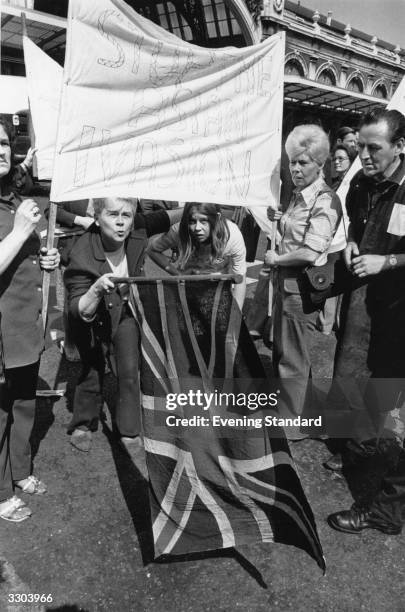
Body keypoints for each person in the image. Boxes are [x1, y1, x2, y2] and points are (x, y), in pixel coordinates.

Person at [326, 108, 405, 535]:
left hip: (400, 311)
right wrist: (351, 247)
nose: (365, 155)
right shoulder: (359, 181)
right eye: (362, 146)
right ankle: (356, 451)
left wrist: (388, 261)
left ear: (400, 147)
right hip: (367, 303)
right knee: (359, 379)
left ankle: (385, 513)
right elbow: (351, 226)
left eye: (375, 148)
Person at [64, 197, 183, 454]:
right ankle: (83, 424)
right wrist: (95, 291)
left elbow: (163, 218)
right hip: (92, 314)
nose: (120, 222)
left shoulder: (136, 229)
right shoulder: (82, 252)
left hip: (126, 310)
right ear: (97, 217)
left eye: (126, 215)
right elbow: (77, 309)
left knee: (129, 371)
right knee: (92, 368)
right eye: (112, 215)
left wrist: (192, 207)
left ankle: (128, 429)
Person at [264, 124, 342, 439]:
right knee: (286, 352)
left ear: (320, 163)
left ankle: (290, 426)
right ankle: (294, 411)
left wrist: (277, 260)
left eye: (303, 163)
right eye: (293, 161)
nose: (295, 168)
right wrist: (277, 217)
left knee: (293, 359)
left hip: (301, 288)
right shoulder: (299, 195)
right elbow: (292, 231)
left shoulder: (325, 199)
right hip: (286, 285)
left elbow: (311, 251)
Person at [0, 118, 59, 521]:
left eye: (3, 142)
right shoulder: (16, 214)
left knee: (23, 405)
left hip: (25, 327)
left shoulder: (11, 199)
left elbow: (23, 258)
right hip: (1, 332)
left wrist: (44, 258)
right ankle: (1, 491)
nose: (1, 150)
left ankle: (19, 471)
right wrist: (22, 232)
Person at [146, 201, 247, 310]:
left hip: (218, 291)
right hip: (187, 289)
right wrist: (178, 275)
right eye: (192, 221)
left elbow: (240, 278)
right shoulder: (179, 230)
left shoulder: (232, 235)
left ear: (216, 218)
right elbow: (152, 250)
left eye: (204, 221)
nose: (197, 228)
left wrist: (236, 316)